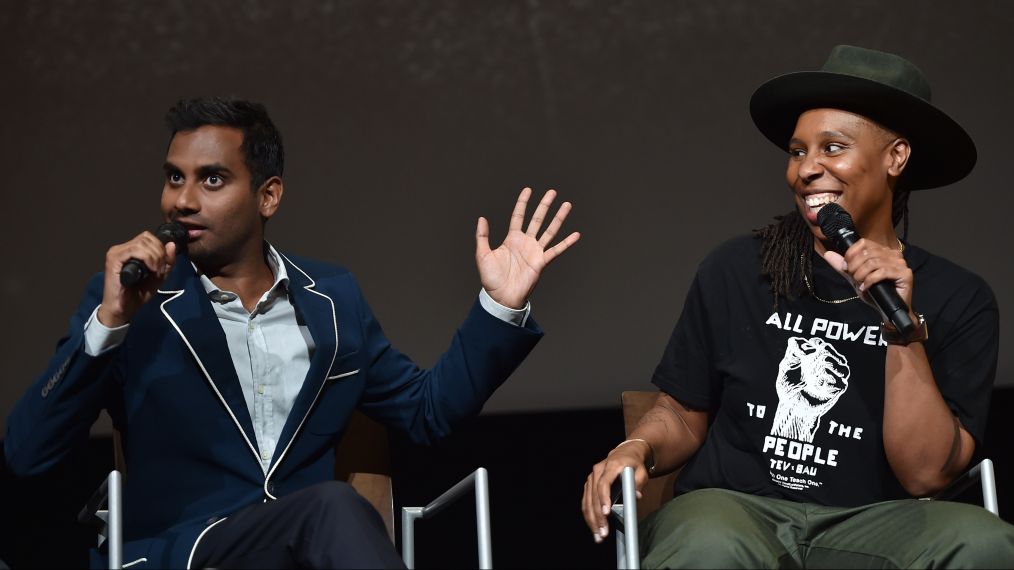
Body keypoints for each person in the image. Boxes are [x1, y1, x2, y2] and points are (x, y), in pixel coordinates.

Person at [5, 97, 580, 569]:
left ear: (268, 195)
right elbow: (28, 453)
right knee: (332, 506)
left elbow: (429, 413)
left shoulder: (333, 301)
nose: (181, 200)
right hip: (189, 555)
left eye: (211, 179)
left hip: (305, 554)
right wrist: (108, 325)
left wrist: (499, 308)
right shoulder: (138, 305)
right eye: (174, 178)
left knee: (328, 512)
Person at [582, 45, 1014, 567]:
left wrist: (903, 333)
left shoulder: (957, 296)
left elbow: (925, 475)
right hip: (736, 511)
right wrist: (636, 449)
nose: (807, 169)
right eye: (796, 151)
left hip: (874, 524)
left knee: (981, 539)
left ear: (895, 157)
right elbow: (680, 412)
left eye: (832, 148)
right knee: (708, 542)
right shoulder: (738, 268)